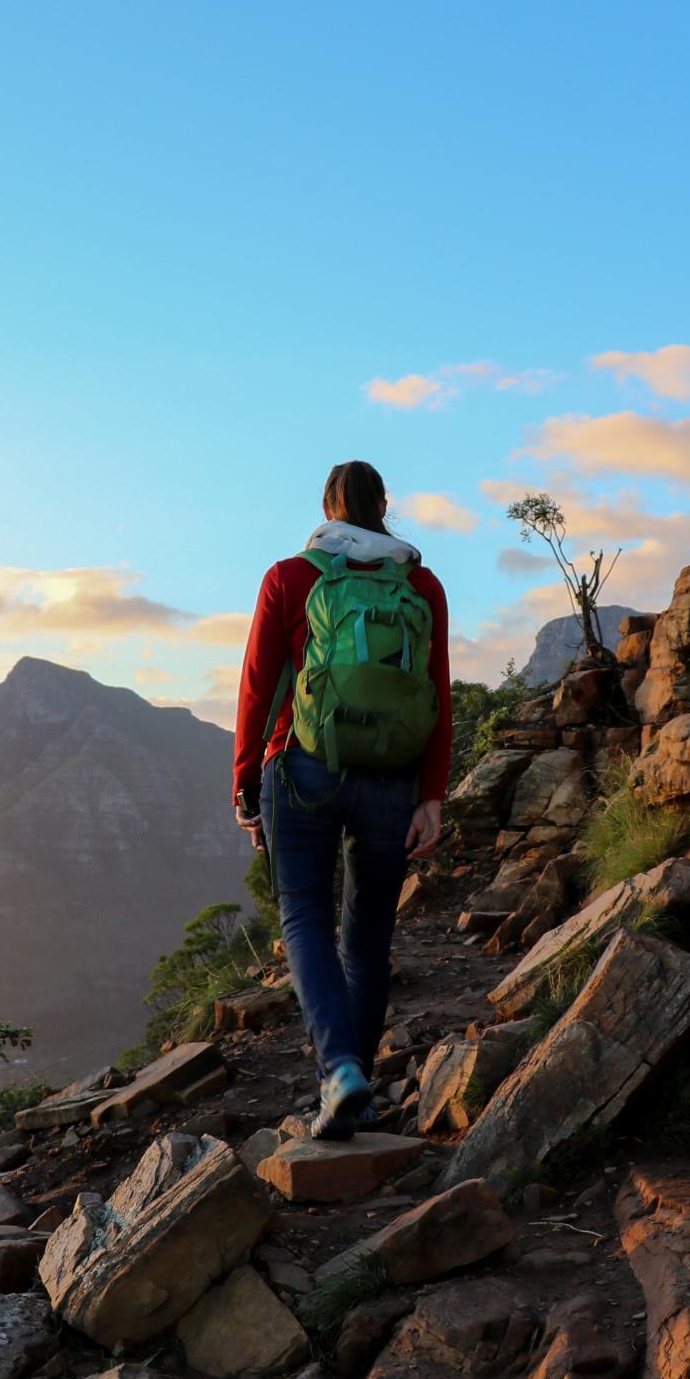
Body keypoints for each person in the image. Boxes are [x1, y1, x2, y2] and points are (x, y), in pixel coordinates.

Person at [233, 460, 452, 1140]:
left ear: (327, 509)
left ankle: (340, 1073)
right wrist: (433, 795)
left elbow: (257, 683)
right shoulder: (421, 582)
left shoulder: (292, 577)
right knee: (369, 937)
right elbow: (437, 691)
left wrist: (244, 776)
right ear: (384, 504)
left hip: (302, 767)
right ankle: (355, 1086)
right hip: (393, 776)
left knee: (304, 916)